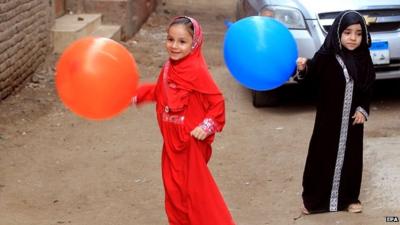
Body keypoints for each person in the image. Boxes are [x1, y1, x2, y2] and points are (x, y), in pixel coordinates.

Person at [133, 16, 235, 225]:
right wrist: (136, 95)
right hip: (170, 146)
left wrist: (206, 126)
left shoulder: (197, 70)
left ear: (194, 43)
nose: (174, 46)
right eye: (170, 39)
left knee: (199, 198)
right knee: (174, 195)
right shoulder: (169, 68)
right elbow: (159, 91)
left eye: (182, 41)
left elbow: (216, 101)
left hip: (189, 145)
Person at [296, 10, 376, 214]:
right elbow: (311, 77)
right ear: (338, 32)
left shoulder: (363, 58)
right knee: (321, 157)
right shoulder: (326, 56)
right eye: (348, 32)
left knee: (351, 160)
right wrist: (304, 68)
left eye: (358, 33)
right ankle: (313, 200)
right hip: (328, 120)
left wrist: (362, 109)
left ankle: (349, 199)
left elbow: (366, 86)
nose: (353, 38)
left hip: (352, 122)